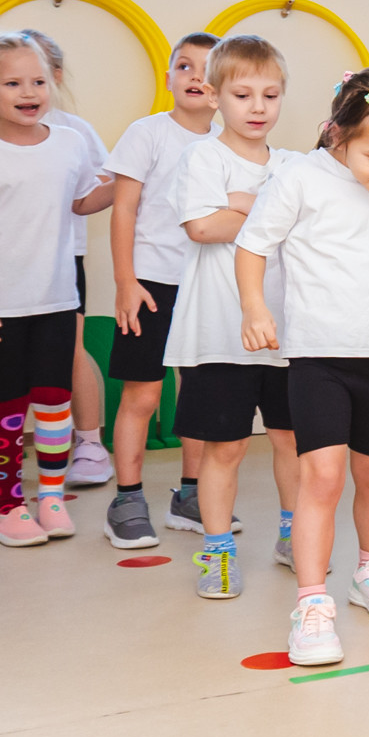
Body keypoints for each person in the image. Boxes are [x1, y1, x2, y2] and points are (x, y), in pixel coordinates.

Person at [237, 73, 369, 666]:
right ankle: (311, 603)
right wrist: (254, 307)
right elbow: (253, 245)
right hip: (318, 356)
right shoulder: (300, 177)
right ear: (339, 134)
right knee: (323, 478)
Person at [0, 33, 115, 547]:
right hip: (1, 305)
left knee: (55, 404)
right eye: (13, 83)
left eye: (37, 81)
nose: (28, 92)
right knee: (9, 406)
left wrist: (129, 183)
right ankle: (9, 508)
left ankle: (51, 499)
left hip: (57, 299)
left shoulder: (70, 143)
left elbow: (82, 201)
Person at [167, 36, 302, 599]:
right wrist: (267, 209)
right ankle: (218, 550)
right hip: (218, 333)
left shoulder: (294, 165)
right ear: (214, 95)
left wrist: (239, 203)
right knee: (226, 448)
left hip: (286, 334)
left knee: (292, 441)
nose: (257, 107)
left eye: (270, 95)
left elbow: (304, 226)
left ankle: (294, 536)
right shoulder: (202, 157)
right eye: (243, 94)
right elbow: (203, 227)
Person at [102, 31, 220, 544]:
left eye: (208, 69)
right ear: (169, 77)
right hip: (150, 283)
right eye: (185, 66)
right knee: (143, 394)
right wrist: (125, 281)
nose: (196, 77)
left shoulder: (227, 143)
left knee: (199, 395)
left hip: (205, 286)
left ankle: (190, 495)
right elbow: (123, 209)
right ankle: (127, 498)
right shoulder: (147, 133)